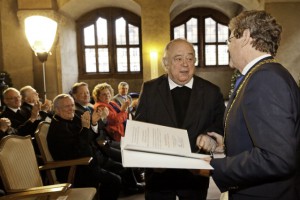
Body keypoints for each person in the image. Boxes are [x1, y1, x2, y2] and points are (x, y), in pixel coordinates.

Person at [203, 10, 300, 200]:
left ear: (245, 36)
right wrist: (230, 144)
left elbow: (277, 158)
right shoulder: (264, 74)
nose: (228, 47)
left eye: (229, 39)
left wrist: (213, 166)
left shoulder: (265, 79)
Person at [134, 38, 225, 200]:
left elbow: (220, 125)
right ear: (165, 63)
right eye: (178, 59)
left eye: (190, 58)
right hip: (158, 176)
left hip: (195, 176)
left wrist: (210, 138)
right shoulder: (150, 90)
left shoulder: (212, 92)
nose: (185, 64)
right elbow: (139, 128)